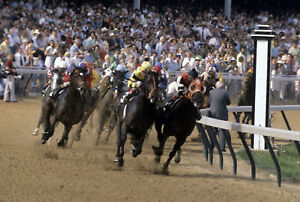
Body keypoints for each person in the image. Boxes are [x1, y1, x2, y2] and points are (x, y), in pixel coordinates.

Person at [208, 81, 231, 151]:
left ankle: (211, 146)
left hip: (213, 113)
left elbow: (209, 102)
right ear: (223, 87)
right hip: (222, 114)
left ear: (216, 86)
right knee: (221, 130)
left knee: (213, 130)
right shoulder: (225, 92)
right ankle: (222, 147)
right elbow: (229, 102)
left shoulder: (211, 92)